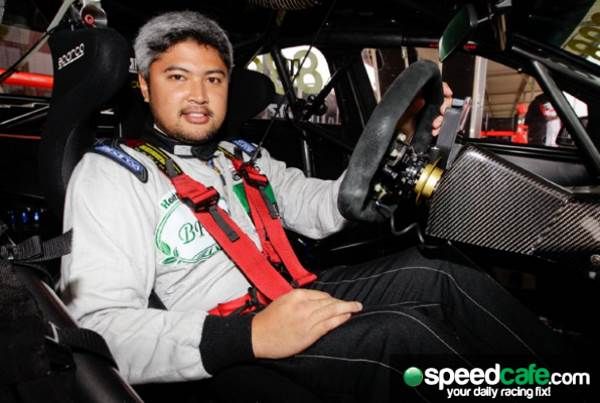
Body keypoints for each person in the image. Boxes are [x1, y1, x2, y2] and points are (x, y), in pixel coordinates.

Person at [60, 11, 567, 402]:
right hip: (224, 331)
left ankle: (564, 377)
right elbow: (98, 329)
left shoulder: (242, 157)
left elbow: (324, 207)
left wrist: (398, 143)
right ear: (144, 85)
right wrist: (249, 334)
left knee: (439, 272)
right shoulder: (113, 177)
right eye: (177, 77)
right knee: (405, 337)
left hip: (288, 291)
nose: (199, 95)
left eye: (213, 79)